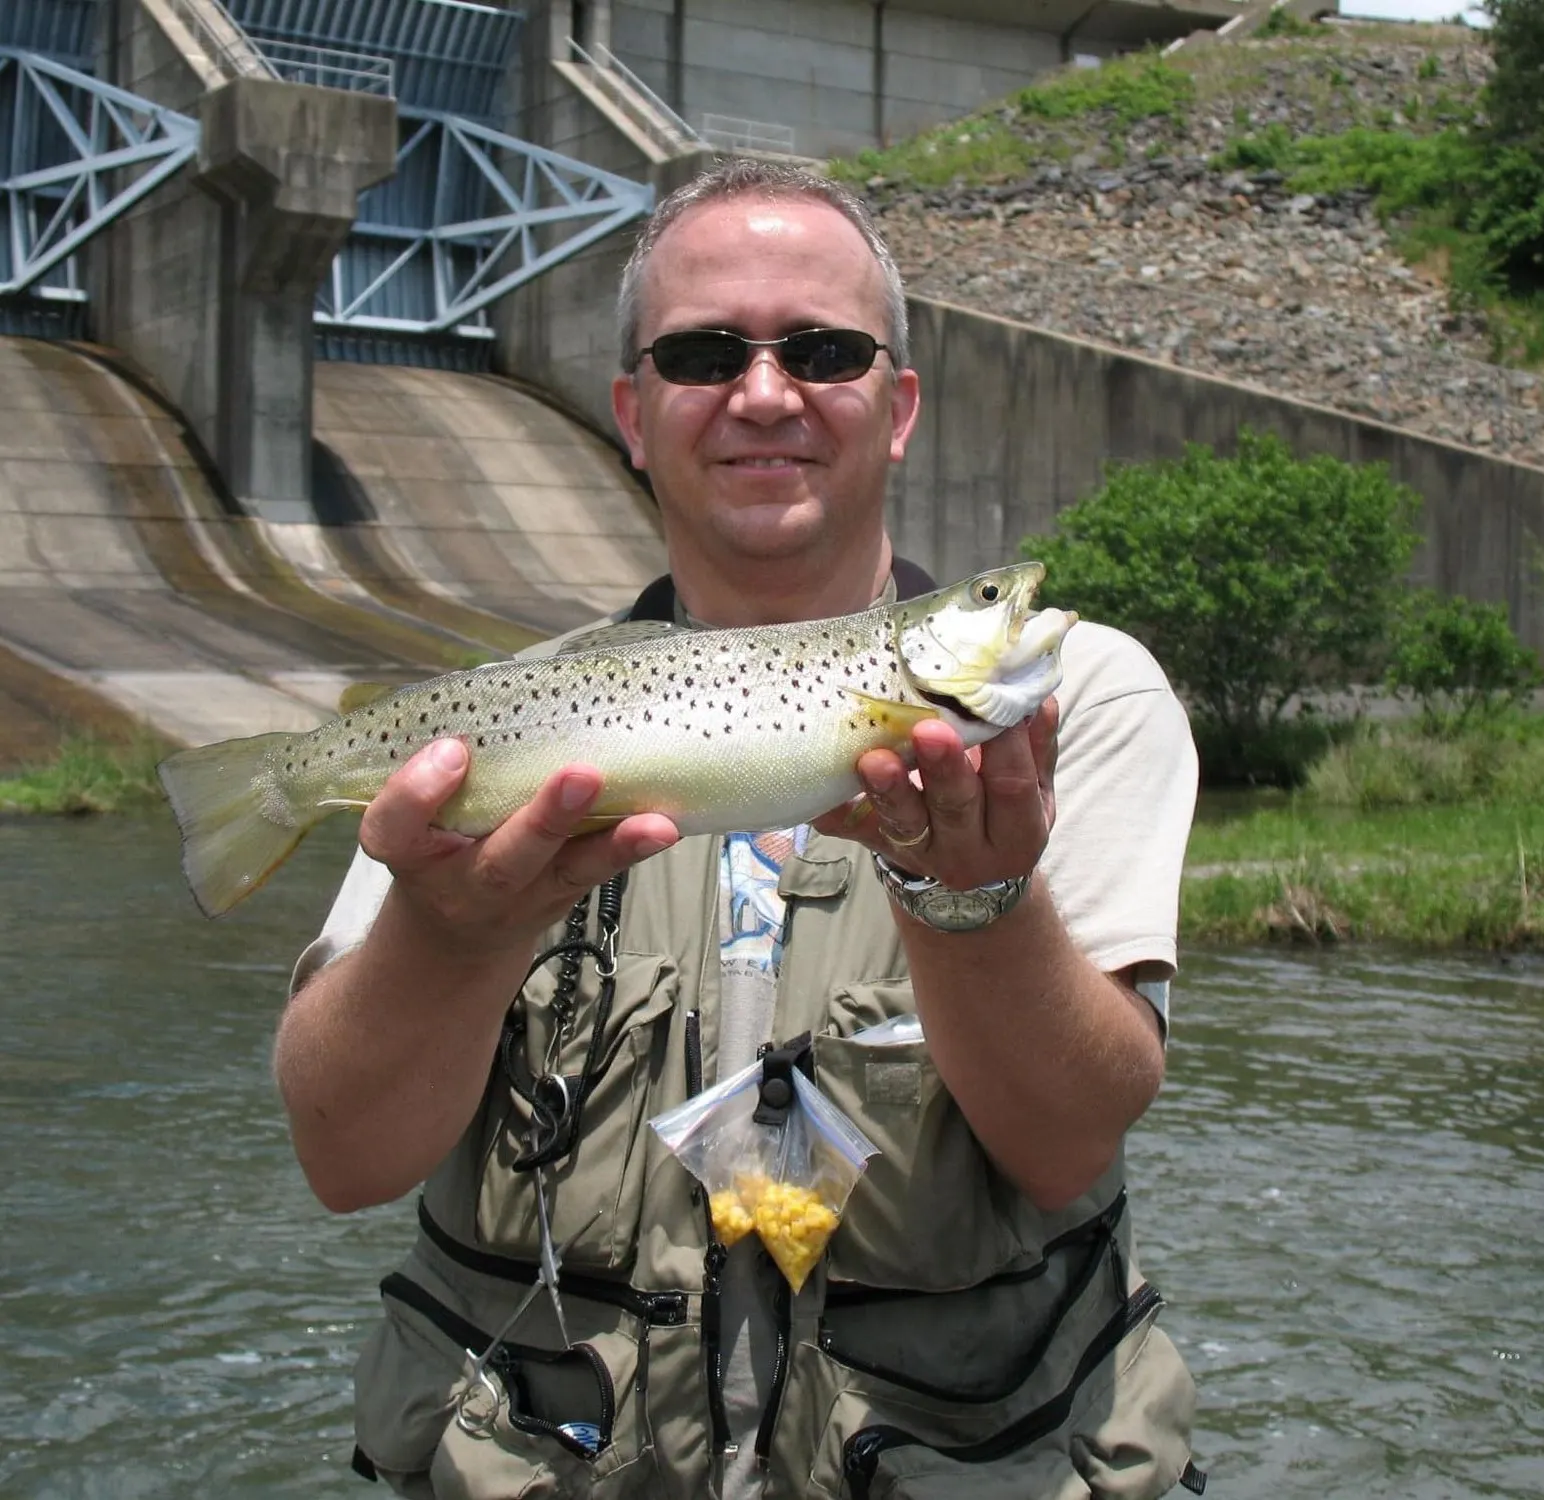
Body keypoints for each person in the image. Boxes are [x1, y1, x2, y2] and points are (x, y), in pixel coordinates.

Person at [276, 158, 1204, 1500]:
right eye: (705, 353)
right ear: (633, 414)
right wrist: (444, 934)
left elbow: (1067, 1145)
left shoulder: (1075, 699)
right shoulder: (515, 718)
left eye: (822, 351)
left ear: (898, 407)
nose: (764, 394)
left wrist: (973, 902)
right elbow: (341, 1157)